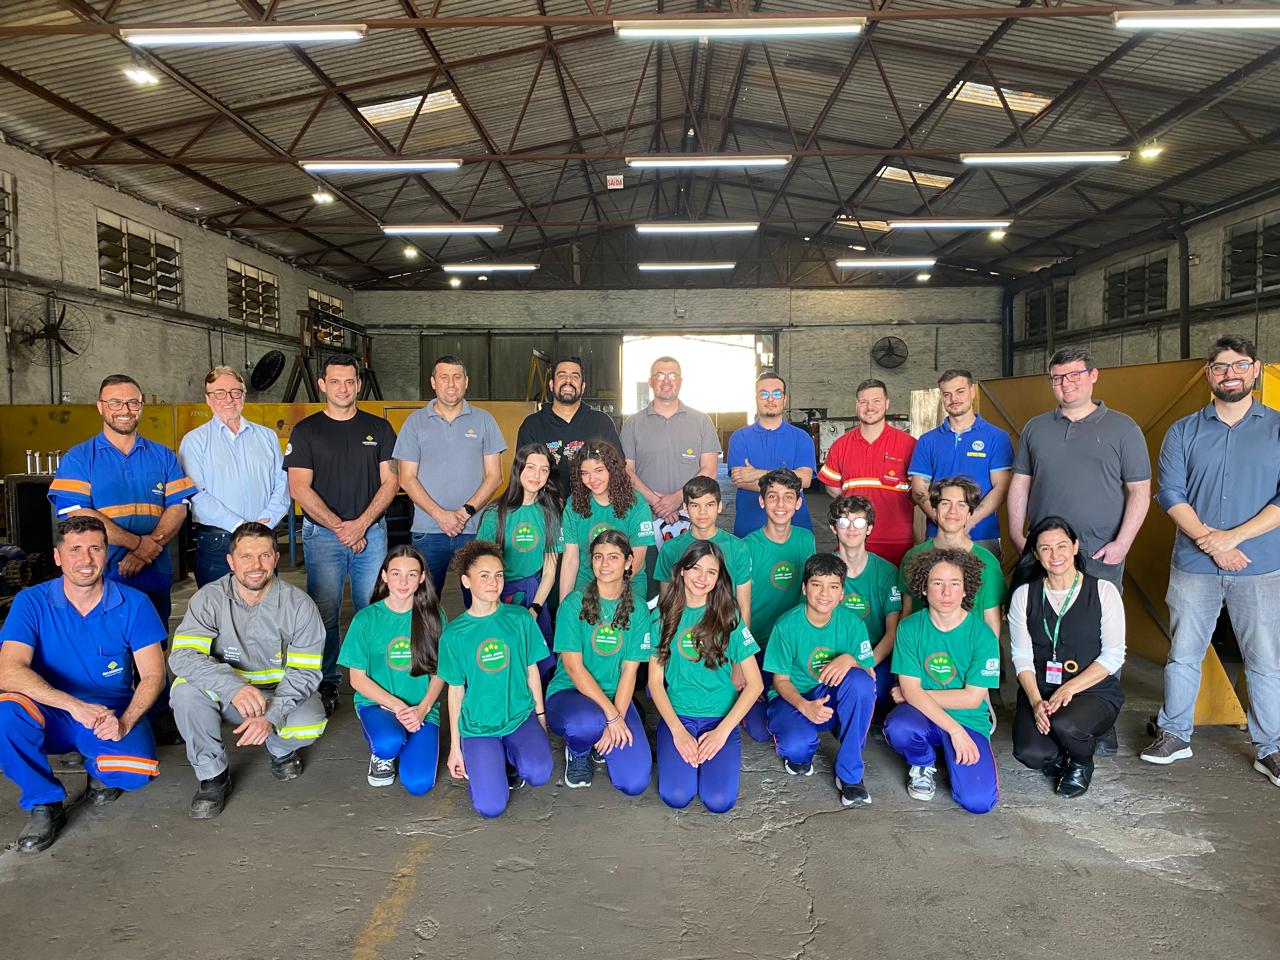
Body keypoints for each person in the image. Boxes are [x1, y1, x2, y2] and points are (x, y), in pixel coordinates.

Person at [1141, 335, 1280, 787]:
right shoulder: (1183, 431)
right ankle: (1175, 734)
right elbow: (1170, 494)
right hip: (1194, 565)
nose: (1230, 374)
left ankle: (1271, 748)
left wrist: (1232, 538)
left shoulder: (1277, 428)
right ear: (1209, 375)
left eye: (1239, 365)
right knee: (1183, 654)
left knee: (1264, 659)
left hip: (1258, 565)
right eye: (1220, 367)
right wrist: (1210, 541)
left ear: (1255, 369)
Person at [0, 516, 165, 853]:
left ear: (107, 554)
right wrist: (75, 706)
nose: (86, 560)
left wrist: (125, 722)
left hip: (110, 713)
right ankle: (43, 802)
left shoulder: (134, 604)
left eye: (95, 549)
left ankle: (98, 767)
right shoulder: (31, 602)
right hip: (49, 711)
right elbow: (9, 672)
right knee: (5, 715)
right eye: (75, 550)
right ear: (58, 557)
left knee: (135, 772)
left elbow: (153, 675)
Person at [169, 522, 328, 819]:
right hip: (228, 697)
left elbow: (305, 673)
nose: (256, 565)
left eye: (265, 555)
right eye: (246, 556)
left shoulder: (299, 606)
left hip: (277, 697)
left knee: (312, 719)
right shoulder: (209, 599)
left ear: (276, 558)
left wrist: (271, 715)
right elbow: (182, 656)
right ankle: (213, 775)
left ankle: (281, 749)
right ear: (230, 561)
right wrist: (233, 687)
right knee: (186, 693)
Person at [284, 354, 398, 717]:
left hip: (371, 535)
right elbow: (299, 488)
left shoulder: (379, 429)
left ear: (358, 384)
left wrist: (361, 525)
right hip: (323, 537)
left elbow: (391, 481)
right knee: (324, 613)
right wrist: (341, 528)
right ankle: (329, 681)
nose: (343, 388)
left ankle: (378, 680)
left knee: (375, 611)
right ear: (322, 384)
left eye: (350, 381)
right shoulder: (307, 431)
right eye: (335, 381)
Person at [50, 374, 194, 625]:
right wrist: (139, 545)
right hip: (100, 575)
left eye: (133, 403)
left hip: (153, 572)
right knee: (106, 653)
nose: (125, 410)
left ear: (141, 406)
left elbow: (178, 508)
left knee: (155, 647)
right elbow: (79, 514)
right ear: (100, 407)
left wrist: (142, 553)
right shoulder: (79, 458)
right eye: (115, 402)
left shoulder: (163, 456)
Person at [1007, 346, 1150, 587]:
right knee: (1040, 620)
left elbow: (1140, 491)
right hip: (1043, 550)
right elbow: (1020, 484)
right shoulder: (1035, 428)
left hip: (1100, 553)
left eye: (1075, 375)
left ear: (1093, 375)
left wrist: (1123, 544)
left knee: (1096, 622)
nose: (1066, 383)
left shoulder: (1124, 428)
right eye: (1058, 378)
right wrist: (1016, 535)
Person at [1010, 517, 1125, 798]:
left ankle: (1082, 762)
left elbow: (1113, 656)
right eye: (1045, 548)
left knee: (1066, 724)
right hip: (1041, 689)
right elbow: (1021, 656)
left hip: (1092, 690)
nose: (1055, 554)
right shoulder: (1024, 595)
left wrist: (1069, 688)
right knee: (1031, 753)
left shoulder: (1103, 591)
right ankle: (1061, 754)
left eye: (1062, 545)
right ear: (1036, 554)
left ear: (1075, 547)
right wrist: (1037, 701)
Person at [648, 540, 763, 814]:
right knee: (676, 796)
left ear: (719, 577)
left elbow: (755, 684)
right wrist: (677, 732)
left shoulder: (729, 616)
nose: (703, 578)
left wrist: (721, 733)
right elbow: (654, 683)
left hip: (719, 718)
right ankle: (670, 751)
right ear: (683, 572)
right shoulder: (663, 617)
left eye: (711, 572)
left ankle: (710, 757)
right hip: (680, 717)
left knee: (719, 801)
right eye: (696, 569)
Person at [440, 542, 553, 818]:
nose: (494, 582)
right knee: (490, 807)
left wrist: (540, 718)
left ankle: (511, 758)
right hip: (479, 727)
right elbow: (455, 692)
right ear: (466, 581)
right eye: (485, 576)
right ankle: (494, 759)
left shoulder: (520, 619)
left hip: (519, 716)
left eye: (499, 575)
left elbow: (532, 671)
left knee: (540, 773)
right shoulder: (454, 634)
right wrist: (455, 748)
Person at [884, 549, 1000, 814]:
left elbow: (972, 698)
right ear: (924, 589)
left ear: (964, 590)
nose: (946, 593)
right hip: (923, 717)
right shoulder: (910, 628)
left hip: (968, 719)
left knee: (978, 802)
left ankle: (951, 755)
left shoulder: (982, 635)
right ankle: (923, 761)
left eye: (954, 584)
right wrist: (954, 731)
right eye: (937, 583)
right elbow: (910, 691)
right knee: (899, 726)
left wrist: (912, 694)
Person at [764, 553, 877, 807]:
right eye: (817, 585)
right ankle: (800, 746)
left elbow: (868, 673)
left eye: (833, 586)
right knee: (798, 749)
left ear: (841, 593)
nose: (824, 594)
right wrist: (805, 706)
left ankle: (850, 775)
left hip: (831, 695)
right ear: (804, 588)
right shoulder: (786, 625)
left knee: (861, 683)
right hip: (795, 697)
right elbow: (780, 681)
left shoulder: (852, 624)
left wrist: (850, 659)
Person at [546, 530, 653, 794]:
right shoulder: (573, 604)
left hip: (615, 697)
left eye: (613, 557)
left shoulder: (638, 609)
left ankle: (600, 738)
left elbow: (630, 671)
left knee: (635, 782)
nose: (604, 564)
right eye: (598, 557)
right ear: (591, 562)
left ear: (629, 562)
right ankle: (579, 749)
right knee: (586, 723)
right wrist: (612, 717)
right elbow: (574, 668)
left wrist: (615, 715)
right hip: (570, 695)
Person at [338, 545, 446, 795]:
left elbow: (440, 672)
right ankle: (382, 753)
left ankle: (407, 736)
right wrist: (397, 707)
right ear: (384, 576)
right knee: (389, 743)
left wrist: (423, 709)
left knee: (418, 784)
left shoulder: (434, 616)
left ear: (421, 578)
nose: (403, 581)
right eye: (396, 573)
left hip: (421, 708)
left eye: (411, 574)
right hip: (378, 705)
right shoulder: (366, 619)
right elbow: (357, 679)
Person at [396, 355, 506, 595]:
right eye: (444, 377)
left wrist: (465, 512)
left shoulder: (484, 420)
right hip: (428, 531)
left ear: (466, 382)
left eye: (457, 377)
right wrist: (440, 515)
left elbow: (494, 476)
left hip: (475, 529)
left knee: (481, 601)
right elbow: (406, 478)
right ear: (433, 382)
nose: (451, 384)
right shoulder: (414, 423)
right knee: (425, 604)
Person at [179, 365, 290, 587]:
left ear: (243, 395)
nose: (228, 399)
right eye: (219, 393)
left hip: (264, 538)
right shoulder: (195, 442)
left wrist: (265, 523)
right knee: (219, 613)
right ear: (208, 399)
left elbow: (282, 484)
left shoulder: (267, 437)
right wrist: (241, 526)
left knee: (264, 610)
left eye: (235, 392)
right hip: (218, 542)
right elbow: (196, 495)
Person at [620, 356, 722, 591]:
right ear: (650, 381)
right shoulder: (633, 424)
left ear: (681, 381)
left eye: (672, 375)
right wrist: (656, 502)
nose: (666, 381)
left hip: (693, 520)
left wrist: (677, 499)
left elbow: (709, 470)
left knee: (694, 582)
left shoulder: (701, 421)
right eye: (660, 375)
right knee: (651, 585)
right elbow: (626, 471)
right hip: (645, 521)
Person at [743, 469, 817, 741]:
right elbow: (741, 607)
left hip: (794, 646)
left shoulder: (805, 539)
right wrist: (743, 659)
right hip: (760, 645)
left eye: (789, 497)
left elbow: (810, 595)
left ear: (798, 503)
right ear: (761, 502)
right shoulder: (747, 546)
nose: (781, 505)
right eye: (773, 497)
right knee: (760, 731)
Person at [908, 369, 1013, 558]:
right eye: (947, 394)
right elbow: (919, 489)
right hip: (937, 535)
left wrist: (970, 521)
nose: (953, 399)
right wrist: (943, 521)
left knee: (985, 587)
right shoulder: (927, 441)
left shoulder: (997, 437)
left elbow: (1001, 487)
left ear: (972, 391)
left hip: (982, 536)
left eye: (960, 391)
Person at [476, 443, 562, 661]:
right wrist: (493, 607)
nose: (537, 475)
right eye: (531, 467)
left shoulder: (550, 513)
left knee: (537, 661)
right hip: (496, 596)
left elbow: (550, 572)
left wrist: (534, 609)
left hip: (534, 594)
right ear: (519, 469)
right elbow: (480, 569)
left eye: (544, 470)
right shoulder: (495, 513)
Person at [818, 379, 916, 566]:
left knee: (896, 594)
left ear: (887, 403)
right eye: (863, 402)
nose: (870, 407)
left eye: (876, 401)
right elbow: (832, 489)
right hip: (852, 541)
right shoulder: (841, 446)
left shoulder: (909, 445)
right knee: (852, 595)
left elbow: (918, 491)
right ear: (857, 405)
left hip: (897, 543)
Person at [898, 477, 1005, 640]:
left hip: (969, 654)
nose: (952, 511)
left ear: (970, 513)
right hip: (922, 652)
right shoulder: (913, 557)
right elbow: (907, 612)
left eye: (961, 504)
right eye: (945, 503)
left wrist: (988, 663)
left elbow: (992, 621)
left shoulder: (987, 562)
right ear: (934, 509)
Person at [829, 496, 902, 721]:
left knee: (878, 694)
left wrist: (864, 662)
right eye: (844, 522)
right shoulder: (823, 569)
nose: (851, 528)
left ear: (869, 528)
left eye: (859, 522)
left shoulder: (887, 572)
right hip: (832, 654)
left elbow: (892, 632)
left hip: (874, 654)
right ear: (833, 528)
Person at [559, 441, 655, 603]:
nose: (592, 479)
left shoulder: (636, 504)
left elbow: (636, 562)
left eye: (599, 470)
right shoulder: (574, 504)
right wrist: (564, 606)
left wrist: (604, 595)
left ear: (612, 470)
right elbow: (570, 560)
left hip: (627, 584)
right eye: (584, 473)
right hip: (586, 585)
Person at [516, 356, 622, 499]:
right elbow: (522, 473)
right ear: (551, 384)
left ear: (582, 387)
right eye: (562, 375)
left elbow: (618, 468)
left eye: (575, 376)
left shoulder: (601, 423)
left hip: (591, 513)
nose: (568, 380)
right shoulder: (532, 425)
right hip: (546, 511)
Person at [727, 371, 817, 537]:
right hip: (750, 528)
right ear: (756, 399)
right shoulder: (740, 437)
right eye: (764, 394)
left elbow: (804, 480)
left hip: (795, 529)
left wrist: (758, 474)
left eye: (776, 393)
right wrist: (790, 482)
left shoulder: (801, 438)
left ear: (784, 398)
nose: (770, 399)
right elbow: (740, 480)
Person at [654, 475, 753, 617]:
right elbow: (665, 601)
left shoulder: (738, 547)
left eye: (709, 504)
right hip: (683, 629)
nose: (702, 512)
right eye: (695, 505)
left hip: (724, 628)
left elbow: (744, 605)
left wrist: (744, 638)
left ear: (719, 506)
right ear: (685, 508)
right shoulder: (670, 549)